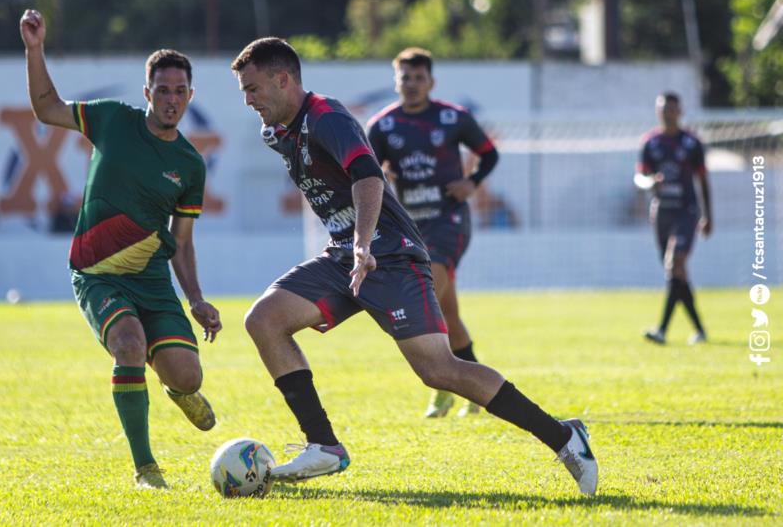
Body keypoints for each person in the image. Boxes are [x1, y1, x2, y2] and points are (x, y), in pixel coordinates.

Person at [231, 37, 598, 496]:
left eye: (252, 89)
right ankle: (323, 446)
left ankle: (564, 437)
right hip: (343, 255)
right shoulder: (278, 132)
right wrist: (352, 246)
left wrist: (364, 244)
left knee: (440, 370)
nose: (247, 100)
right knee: (264, 320)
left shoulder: (327, 116)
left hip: (389, 255)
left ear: (283, 80)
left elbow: (367, 175)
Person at [20, 9, 222, 489]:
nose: (171, 99)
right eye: (163, 90)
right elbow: (47, 108)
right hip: (97, 274)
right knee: (129, 345)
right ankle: (146, 468)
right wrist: (34, 49)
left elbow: (184, 242)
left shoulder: (190, 165)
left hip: (152, 279)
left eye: (180, 91)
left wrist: (195, 298)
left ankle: (179, 387)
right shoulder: (112, 119)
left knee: (188, 375)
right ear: (147, 91)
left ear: (190, 96)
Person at [367, 47, 499, 418]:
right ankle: (476, 387)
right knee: (449, 314)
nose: (411, 84)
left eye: (418, 78)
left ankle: (442, 387)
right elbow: (366, 172)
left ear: (431, 82)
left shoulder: (451, 117)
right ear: (397, 82)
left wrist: (471, 182)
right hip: (411, 227)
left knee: (426, 301)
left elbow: (489, 154)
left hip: (449, 222)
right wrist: (383, 180)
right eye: (405, 78)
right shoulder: (383, 126)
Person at [635, 92, 712, 345]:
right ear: (658, 111)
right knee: (677, 272)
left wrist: (708, 215)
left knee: (674, 262)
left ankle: (662, 330)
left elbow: (702, 179)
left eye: (672, 109)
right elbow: (640, 178)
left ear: (680, 111)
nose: (667, 113)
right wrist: (650, 182)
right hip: (661, 212)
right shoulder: (650, 142)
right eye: (663, 109)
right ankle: (700, 330)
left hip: (687, 211)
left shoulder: (691, 143)